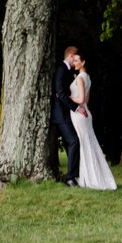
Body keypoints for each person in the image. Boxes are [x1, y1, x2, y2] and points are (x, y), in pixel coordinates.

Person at [69, 53, 118, 190]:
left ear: (83, 62)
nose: (74, 63)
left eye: (77, 60)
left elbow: (82, 100)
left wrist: (68, 98)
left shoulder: (80, 77)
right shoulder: (88, 77)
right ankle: (90, 176)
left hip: (79, 113)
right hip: (86, 113)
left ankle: (89, 177)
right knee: (88, 143)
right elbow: (87, 101)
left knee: (84, 144)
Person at [51, 45, 86, 185]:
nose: (76, 61)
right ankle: (70, 177)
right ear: (71, 55)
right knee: (73, 141)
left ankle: (74, 174)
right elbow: (61, 93)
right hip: (61, 114)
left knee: (70, 142)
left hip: (66, 113)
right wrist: (76, 108)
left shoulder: (68, 70)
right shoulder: (61, 70)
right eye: (75, 58)